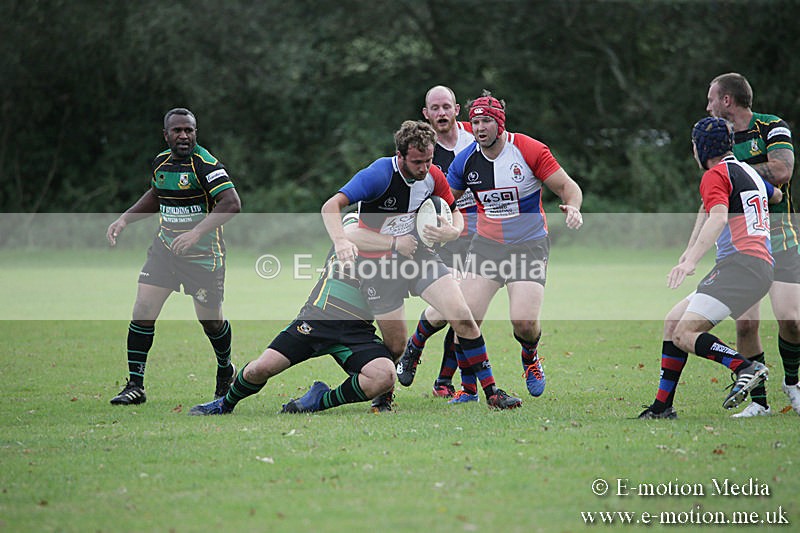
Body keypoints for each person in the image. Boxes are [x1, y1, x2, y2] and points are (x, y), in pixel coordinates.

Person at [321, 119, 521, 411]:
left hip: (419, 256)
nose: (425, 168)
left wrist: (452, 230)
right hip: (379, 268)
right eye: (417, 162)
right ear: (401, 155)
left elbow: (454, 210)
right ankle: (384, 395)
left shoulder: (433, 175)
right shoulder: (377, 174)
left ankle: (492, 394)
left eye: (428, 160)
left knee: (462, 316)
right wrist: (341, 241)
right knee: (395, 344)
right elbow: (331, 206)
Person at [431, 90, 583, 401]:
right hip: (487, 246)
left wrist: (574, 206)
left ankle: (530, 357)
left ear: (500, 123)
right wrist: (433, 222)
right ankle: (469, 389)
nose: (479, 127)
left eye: (486, 120)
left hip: (528, 246)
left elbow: (568, 186)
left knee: (524, 322)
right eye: (474, 122)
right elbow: (446, 200)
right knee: (465, 317)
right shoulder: (466, 161)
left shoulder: (528, 150)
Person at [639, 117, 778, 419]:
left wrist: (689, 261)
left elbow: (716, 217)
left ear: (701, 148)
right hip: (760, 265)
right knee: (672, 321)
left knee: (683, 334)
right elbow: (776, 195)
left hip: (740, 266)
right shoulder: (747, 172)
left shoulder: (716, 174)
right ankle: (663, 408)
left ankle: (744, 366)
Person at [189, 214, 397, 416]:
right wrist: (394, 244)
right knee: (259, 369)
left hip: (357, 330)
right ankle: (224, 404)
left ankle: (319, 400)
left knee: (383, 375)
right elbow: (351, 234)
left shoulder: (400, 248)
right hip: (317, 319)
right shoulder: (355, 221)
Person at [106, 108, 241, 405]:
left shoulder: (205, 165)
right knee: (142, 309)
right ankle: (135, 385)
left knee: (211, 322)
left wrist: (196, 233)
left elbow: (231, 203)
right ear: (165, 134)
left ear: (196, 133)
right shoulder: (161, 163)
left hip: (204, 257)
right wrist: (125, 219)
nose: (184, 135)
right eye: (178, 130)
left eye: (189, 130)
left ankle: (225, 370)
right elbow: (156, 195)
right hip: (165, 251)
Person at [704, 72, 800, 417]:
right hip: (742, 247)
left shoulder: (772, 127)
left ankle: (793, 382)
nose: (708, 105)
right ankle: (759, 402)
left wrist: (738, 171)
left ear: (727, 100)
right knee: (746, 324)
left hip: (780, 238)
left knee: (791, 320)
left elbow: (783, 171)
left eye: (712, 98)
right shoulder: (717, 137)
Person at [396, 85, 478, 398]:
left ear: (457, 109)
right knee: (455, 307)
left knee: (465, 310)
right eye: (435, 108)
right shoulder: (421, 150)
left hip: (480, 236)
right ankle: (419, 354)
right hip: (440, 239)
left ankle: (440, 377)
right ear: (426, 114)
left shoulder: (478, 137)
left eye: (446, 107)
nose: (441, 113)